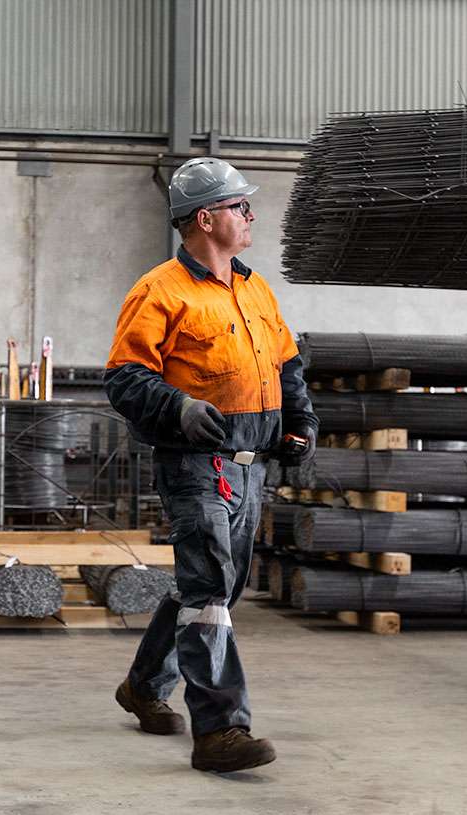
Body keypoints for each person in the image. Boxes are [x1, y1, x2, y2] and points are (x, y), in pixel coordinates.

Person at [104, 157, 317, 773]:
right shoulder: (159, 291)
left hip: (251, 465)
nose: (251, 215)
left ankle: (143, 686)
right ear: (205, 218)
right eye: (238, 206)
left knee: (216, 589)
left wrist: (300, 423)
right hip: (196, 463)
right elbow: (124, 378)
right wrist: (177, 409)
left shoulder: (255, 289)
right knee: (207, 593)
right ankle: (222, 728)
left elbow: (287, 367)